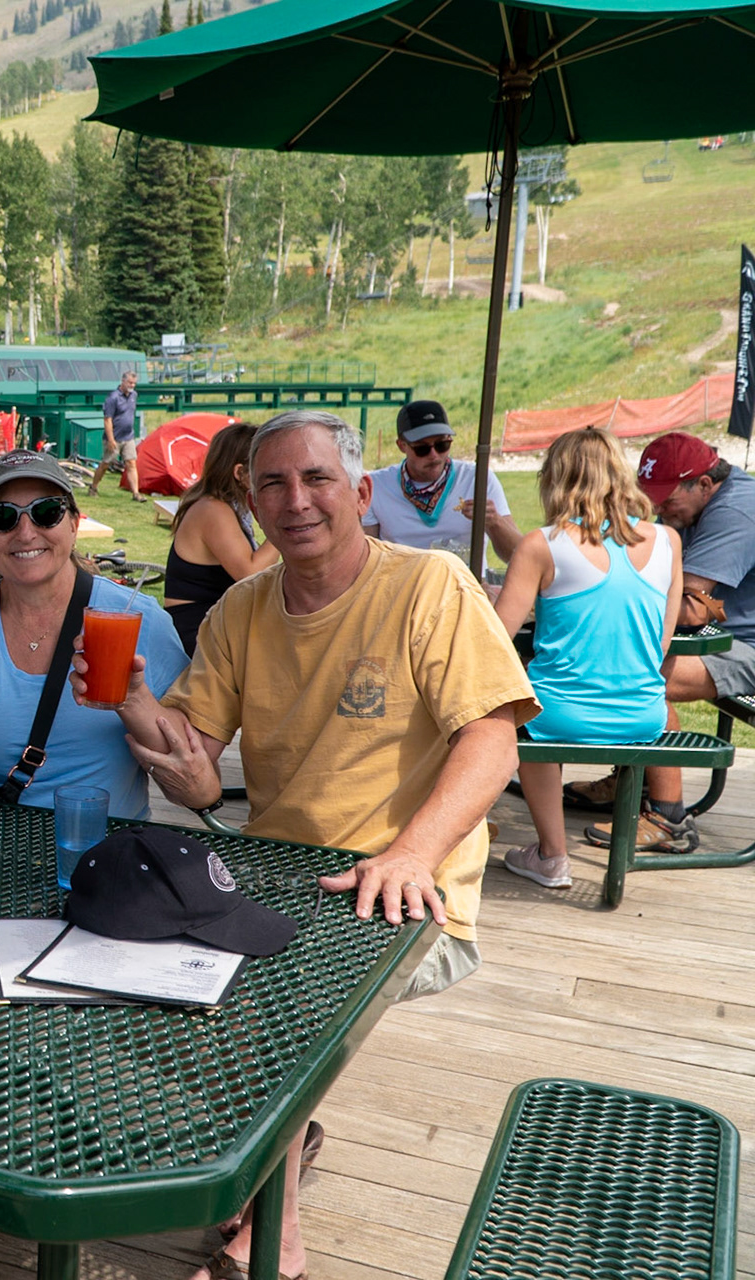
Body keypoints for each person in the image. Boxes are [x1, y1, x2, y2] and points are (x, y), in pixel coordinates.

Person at [89, 410, 536, 1280]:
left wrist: (411, 853)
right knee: (122, 960)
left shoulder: (430, 586)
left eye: (317, 479)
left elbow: (493, 742)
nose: (296, 500)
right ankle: (278, 1138)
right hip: (275, 877)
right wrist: (133, 701)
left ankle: (276, 1238)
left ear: (360, 493)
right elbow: (196, 771)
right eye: (273, 484)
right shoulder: (243, 609)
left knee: (273, 1011)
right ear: (252, 505)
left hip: (407, 887)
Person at [0, 450, 187, 813]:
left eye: (46, 512)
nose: (26, 533)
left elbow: (188, 767)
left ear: (73, 523)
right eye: (3, 517)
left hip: (105, 841)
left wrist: (133, 699)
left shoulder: (136, 618)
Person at [493, 428, 682, 888]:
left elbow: (495, 640)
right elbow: (660, 643)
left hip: (557, 714)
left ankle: (552, 855)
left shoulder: (542, 544)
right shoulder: (667, 541)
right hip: (643, 714)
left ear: (554, 478)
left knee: (517, 708)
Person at [575, 431, 755, 850]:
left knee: (643, 676)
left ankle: (668, 818)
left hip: (745, 646)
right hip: (722, 637)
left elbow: (691, 610)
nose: (656, 509)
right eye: (651, 498)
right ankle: (633, 780)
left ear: (704, 484)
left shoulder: (736, 513)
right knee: (626, 660)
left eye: (665, 499)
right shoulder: (697, 506)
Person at [162, 422, 280, 655]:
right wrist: (284, 527)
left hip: (212, 622)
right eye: (266, 468)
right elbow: (250, 573)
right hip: (195, 631)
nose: (274, 475)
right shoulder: (213, 510)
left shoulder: (224, 506)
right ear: (240, 473)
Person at [363, 399, 522, 561]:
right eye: (422, 448)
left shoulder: (478, 479)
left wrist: (495, 522)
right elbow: (366, 559)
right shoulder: (376, 486)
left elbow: (518, 556)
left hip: (465, 578)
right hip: (405, 578)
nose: (434, 455)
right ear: (402, 445)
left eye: (442, 445)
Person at [87, 369, 141, 499]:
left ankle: (136, 493)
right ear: (123, 381)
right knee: (105, 464)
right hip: (114, 438)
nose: (132, 385)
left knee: (131, 463)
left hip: (128, 437)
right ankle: (93, 487)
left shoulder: (134, 396)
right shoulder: (113, 398)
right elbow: (107, 420)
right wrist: (111, 440)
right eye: (130, 382)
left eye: (134, 383)